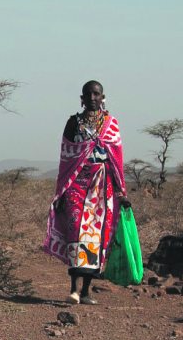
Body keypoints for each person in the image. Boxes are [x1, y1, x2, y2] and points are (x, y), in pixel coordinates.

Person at [42, 80, 130, 304]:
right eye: (88, 94)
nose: (92, 97)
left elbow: (116, 160)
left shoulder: (111, 124)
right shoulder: (73, 123)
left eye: (96, 94)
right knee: (75, 231)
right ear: (81, 98)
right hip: (76, 184)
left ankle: (87, 291)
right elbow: (66, 159)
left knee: (95, 236)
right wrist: (61, 192)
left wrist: (121, 192)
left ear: (103, 97)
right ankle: (73, 288)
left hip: (102, 186)